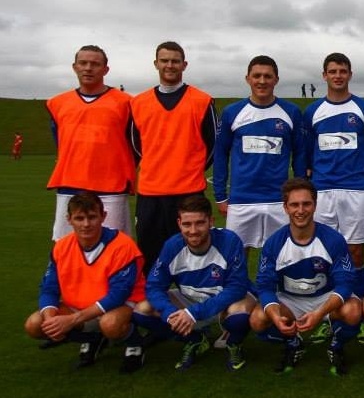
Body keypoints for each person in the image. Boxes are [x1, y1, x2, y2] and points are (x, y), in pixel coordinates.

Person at [302, 52, 364, 345]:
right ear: (324, 75)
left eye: (342, 71)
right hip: (322, 190)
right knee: (325, 255)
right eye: (332, 71)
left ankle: (356, 313)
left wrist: (360, 175)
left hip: (355, 190)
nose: (337, 75)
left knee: (356, 253)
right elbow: (307, 150)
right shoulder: (313, 111)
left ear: (350, 74)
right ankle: (328, 316)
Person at [130, 195, 256, 372]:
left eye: (200, 223)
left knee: (240, 315)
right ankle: (194, 339)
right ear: (179, 223)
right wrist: (171, 313)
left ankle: (233, 344)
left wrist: (193, 313)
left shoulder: (229, 241)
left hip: (223, 303)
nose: (193, 230)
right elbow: (154, 286)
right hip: (189, 299)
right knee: (142, 310)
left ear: (211, 221)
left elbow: (237, 287)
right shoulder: (172, 246)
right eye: (187, 224)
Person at [24, 192, 147, 372]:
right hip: (80, 305)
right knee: (35, 324)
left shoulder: (122, 245)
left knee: (110, 324)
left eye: (92, 217)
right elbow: (49, 287)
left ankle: (135, 343)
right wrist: (52, 320)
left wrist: (72, 320)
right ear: (69, 219)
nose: (86, 224)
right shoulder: (62, 246)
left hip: (120, 304)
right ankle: (93, 339)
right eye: (79, 218)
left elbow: (118, 295)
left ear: (103, 216)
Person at [250, 178, 361, 375]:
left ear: (315, 205)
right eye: (294, 204)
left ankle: (336, 345)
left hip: (324, 299)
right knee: (258, 318)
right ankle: (294, 342)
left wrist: (319, 314)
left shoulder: (333, 239)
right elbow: (265, 286)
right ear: (285, 207)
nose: (300, 210)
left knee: (353, 310)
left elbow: (345, 284)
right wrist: (276, 317)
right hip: (290, 301)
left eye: (306, 204)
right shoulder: (274, 243)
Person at [130, 41, 218, 271]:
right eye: (164, 60)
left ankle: (193, 300)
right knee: (150, 254)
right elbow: (135, 145)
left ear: (184, 65)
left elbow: (213, 145)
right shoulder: (138, 103)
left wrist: (190, 169)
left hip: (188, 192)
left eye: (175, 61)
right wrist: (156, 165)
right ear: (156, 64)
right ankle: (153, 303)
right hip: (151, 193)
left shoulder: (202, 101)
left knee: (193, 253)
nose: (170, 65)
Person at [214, 55, 306, 254]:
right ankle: (240, 287)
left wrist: (299, 192)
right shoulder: (232, 112)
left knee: (282, 255)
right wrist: (220, 196)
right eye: (257, 76)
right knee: (237, 257)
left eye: (267, 76)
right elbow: (221, 154)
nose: (262, 81)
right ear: (248, 78)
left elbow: (300, 155)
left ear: (276, 79)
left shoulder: (291, 112)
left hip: (278, 200)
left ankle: (275, 287)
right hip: (241, 200)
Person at [46, 45, 136, 240]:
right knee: (66, 247)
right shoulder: (57, 103)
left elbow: (137, 144)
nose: (88, 68)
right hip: (70, 183)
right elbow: (59, 140)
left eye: (95, 64)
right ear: (75, 67)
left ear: (106, 69)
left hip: (111, 186)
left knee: (114, 246)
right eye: (83, 63)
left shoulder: (126, 103)